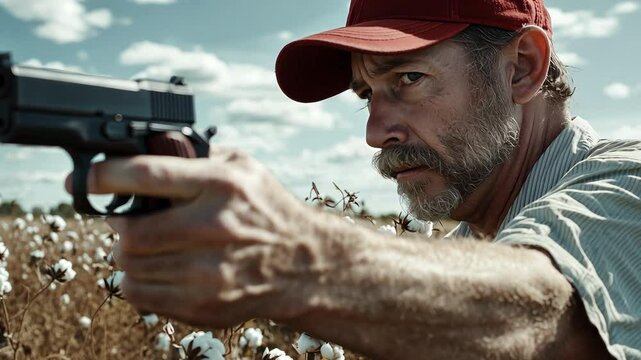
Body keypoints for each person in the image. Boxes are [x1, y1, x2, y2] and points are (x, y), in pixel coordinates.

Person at [71, 0, 640, 358]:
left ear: (521, 68)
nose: (375, 132)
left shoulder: (627, 183)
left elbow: (542, 312)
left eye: (408, 78)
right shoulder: (470, 248)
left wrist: (297, 257)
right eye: (366, 95)